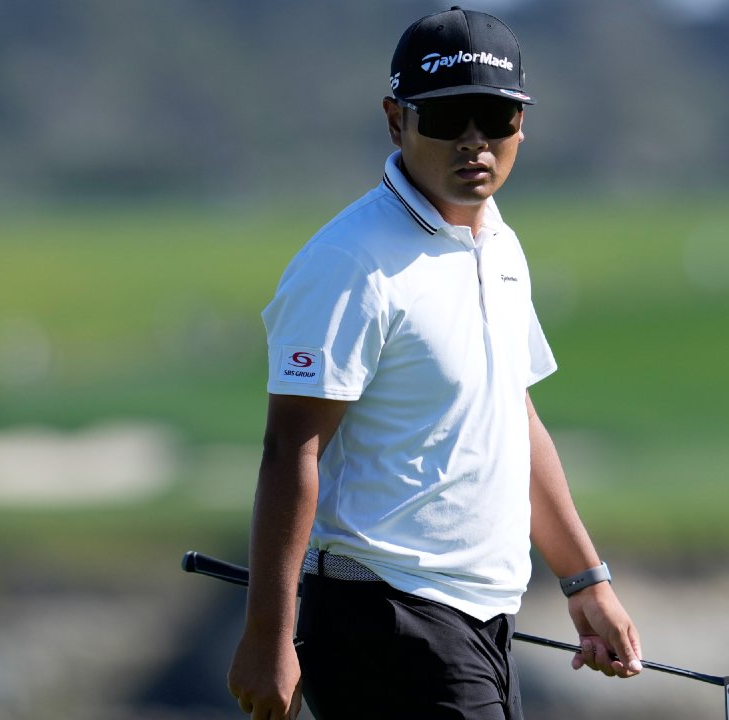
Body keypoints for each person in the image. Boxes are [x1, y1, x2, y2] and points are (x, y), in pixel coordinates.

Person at [227, 7, 642, 719]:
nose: (475, 141)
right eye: (448, 118)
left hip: (484, 619)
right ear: (397, 121)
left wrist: (586, 581)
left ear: (521, 125)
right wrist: (270, 634)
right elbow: (290, 449)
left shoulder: (499, 245)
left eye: (496, 117)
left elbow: (513, 418)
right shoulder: (349, 262)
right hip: (383, 618)